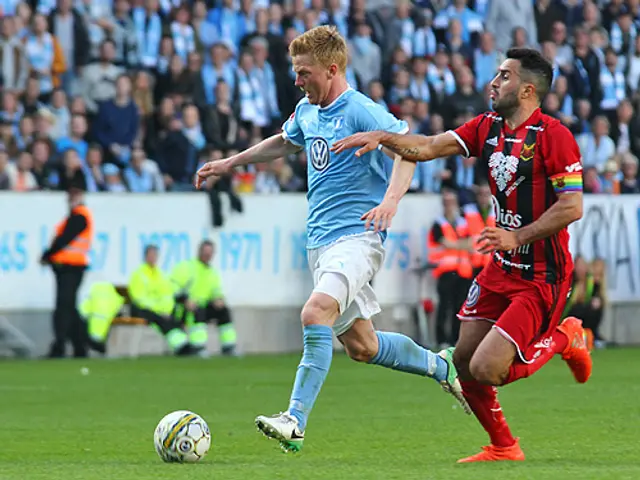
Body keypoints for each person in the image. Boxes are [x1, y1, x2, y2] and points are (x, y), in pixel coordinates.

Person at [195, 25, 470, 454]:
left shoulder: (361, 109)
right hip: (320, 246)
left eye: (304, 72)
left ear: (333, 68)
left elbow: (409, 148)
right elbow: (283, 143)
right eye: (296, 72)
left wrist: (391, 202)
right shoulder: (308, 110)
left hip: (358, 239)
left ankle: (295, 420)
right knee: (364, 346)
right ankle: (442, 364)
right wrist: (231, 162)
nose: (297, 80)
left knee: (314, 312)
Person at [332, 47, 593, 463]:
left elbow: (572, 206)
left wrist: (516, 236)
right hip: (500, 269)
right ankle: (505, 447)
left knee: (490, 369)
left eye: (504, 76)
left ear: (528, 90)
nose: (494, 82)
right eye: (496, 74)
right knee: (463, 363)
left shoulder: (554, 136)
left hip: (542, 275)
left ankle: (565, 337)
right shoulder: (487, 127)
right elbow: (428, 147)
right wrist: (383, 138)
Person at [40, 172, 93, 358]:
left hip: (71, 267)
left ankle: (60, 345)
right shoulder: (75, 215)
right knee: (69, 308)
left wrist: (47, 254)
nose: (71, 197)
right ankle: (81, 345)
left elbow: (64, 239)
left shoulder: (79, 216)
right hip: (67, 267)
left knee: (63, 308)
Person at [170, 240, 238, 357]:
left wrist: (219, 300)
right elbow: (173, 286)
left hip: (204, 305)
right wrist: (185, 300)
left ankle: (228, 347)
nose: (207, 256)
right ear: (199, 252)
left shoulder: (212, 272)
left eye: (210, 253)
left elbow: (216, 291)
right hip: (185, 308)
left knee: (224, 311)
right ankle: (197, 347)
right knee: (198, 311)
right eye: (205, 252)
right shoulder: (187, 267)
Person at [427, 189, 473, 348]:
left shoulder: (463, 222)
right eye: (446, 203)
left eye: (451, 202)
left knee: (460, 307)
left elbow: (470, 243)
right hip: (445, 271)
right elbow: (446, 243)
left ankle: (455, 338)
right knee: (444, 306)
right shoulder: (438, 223)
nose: (449, 206)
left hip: (463, 270)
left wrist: (458, 245)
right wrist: (461, 245)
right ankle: (442, 340)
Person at [128, 244, 192, 356]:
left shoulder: (161, 275)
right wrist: (158, 310)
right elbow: (139, 298)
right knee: (159, 318)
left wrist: (165, 310)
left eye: (155, 255)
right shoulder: (138, 274)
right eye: (150, 255)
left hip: (159, 310)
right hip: (142, 309)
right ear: (145, 256)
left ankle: (182, 344)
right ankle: (180, 346)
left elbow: (167, 296)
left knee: (173, 316)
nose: (153, 257)